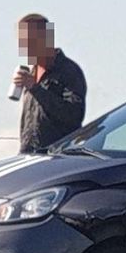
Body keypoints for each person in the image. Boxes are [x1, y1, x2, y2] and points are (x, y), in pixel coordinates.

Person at [12, 13, 88, 154]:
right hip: (28, 156)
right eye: (22, 42)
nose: (25, 47)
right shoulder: (31, 73)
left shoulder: (68, 71)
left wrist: (36, 88)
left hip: (58, 158)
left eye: (29, 41)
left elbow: (73, 115)